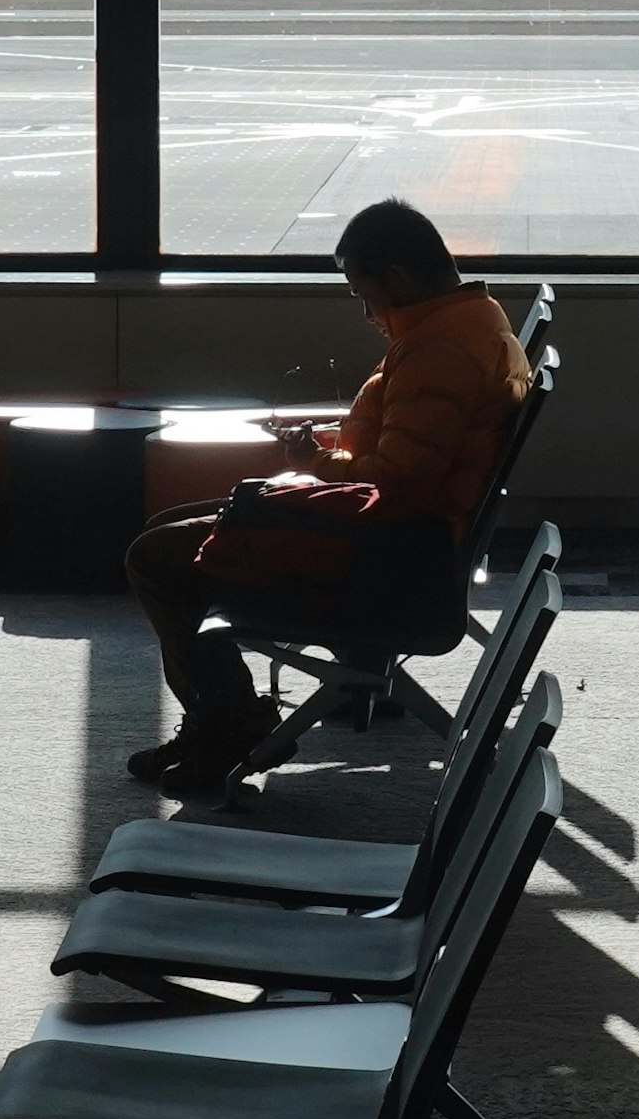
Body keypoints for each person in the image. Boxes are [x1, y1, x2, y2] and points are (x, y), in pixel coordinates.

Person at [121, 197, 535, 793]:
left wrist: (317, 463)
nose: (365, 310)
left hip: (383, 554)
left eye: (361, 291)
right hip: (409, 539)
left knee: (156, 558)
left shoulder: (437, 352)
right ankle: (222, 716)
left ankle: (228, 723)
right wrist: (329, 455)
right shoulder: (473, 321)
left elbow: (397, 482)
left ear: (395, 279)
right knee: (177, 524)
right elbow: (411, 450)